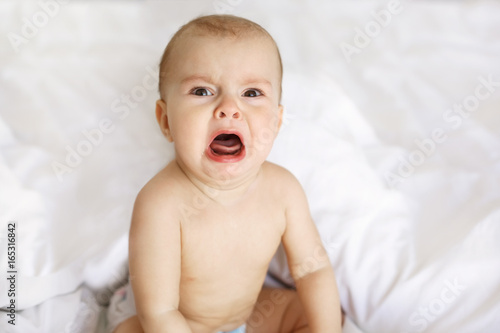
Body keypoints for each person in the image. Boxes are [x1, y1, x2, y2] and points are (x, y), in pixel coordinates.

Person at [107, 14, 342, 333]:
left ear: (276, 121)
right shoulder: (161, 203)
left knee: (314, 313)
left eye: (251, 93)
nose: (229, 107)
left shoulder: (283, 191)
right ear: (165, 121)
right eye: (202, 91)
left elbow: (312, 271)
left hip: (243, 319)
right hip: (169, 323)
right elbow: (159, 312)